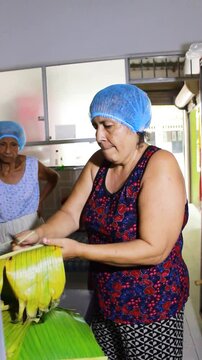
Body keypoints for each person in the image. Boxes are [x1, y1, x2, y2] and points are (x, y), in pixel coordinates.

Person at [14, 84, 189, 360]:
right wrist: (39, 235)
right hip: (106, 300)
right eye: (95, 125)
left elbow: (154, 249)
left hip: (150, 306)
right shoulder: (99, 163)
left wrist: (79, 251)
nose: (98, 136)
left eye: (107, 125)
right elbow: (71, 214)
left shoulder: (159, 165)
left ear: (133, 125)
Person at [0, 120, 59, 253]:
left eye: (13, 144)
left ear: (19, 145)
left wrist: (40, 200)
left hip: (31, 228)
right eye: (2, 144)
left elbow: (54, 178)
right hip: (2, 235)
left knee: (36, 271)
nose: (8, 150)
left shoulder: (32, 165)